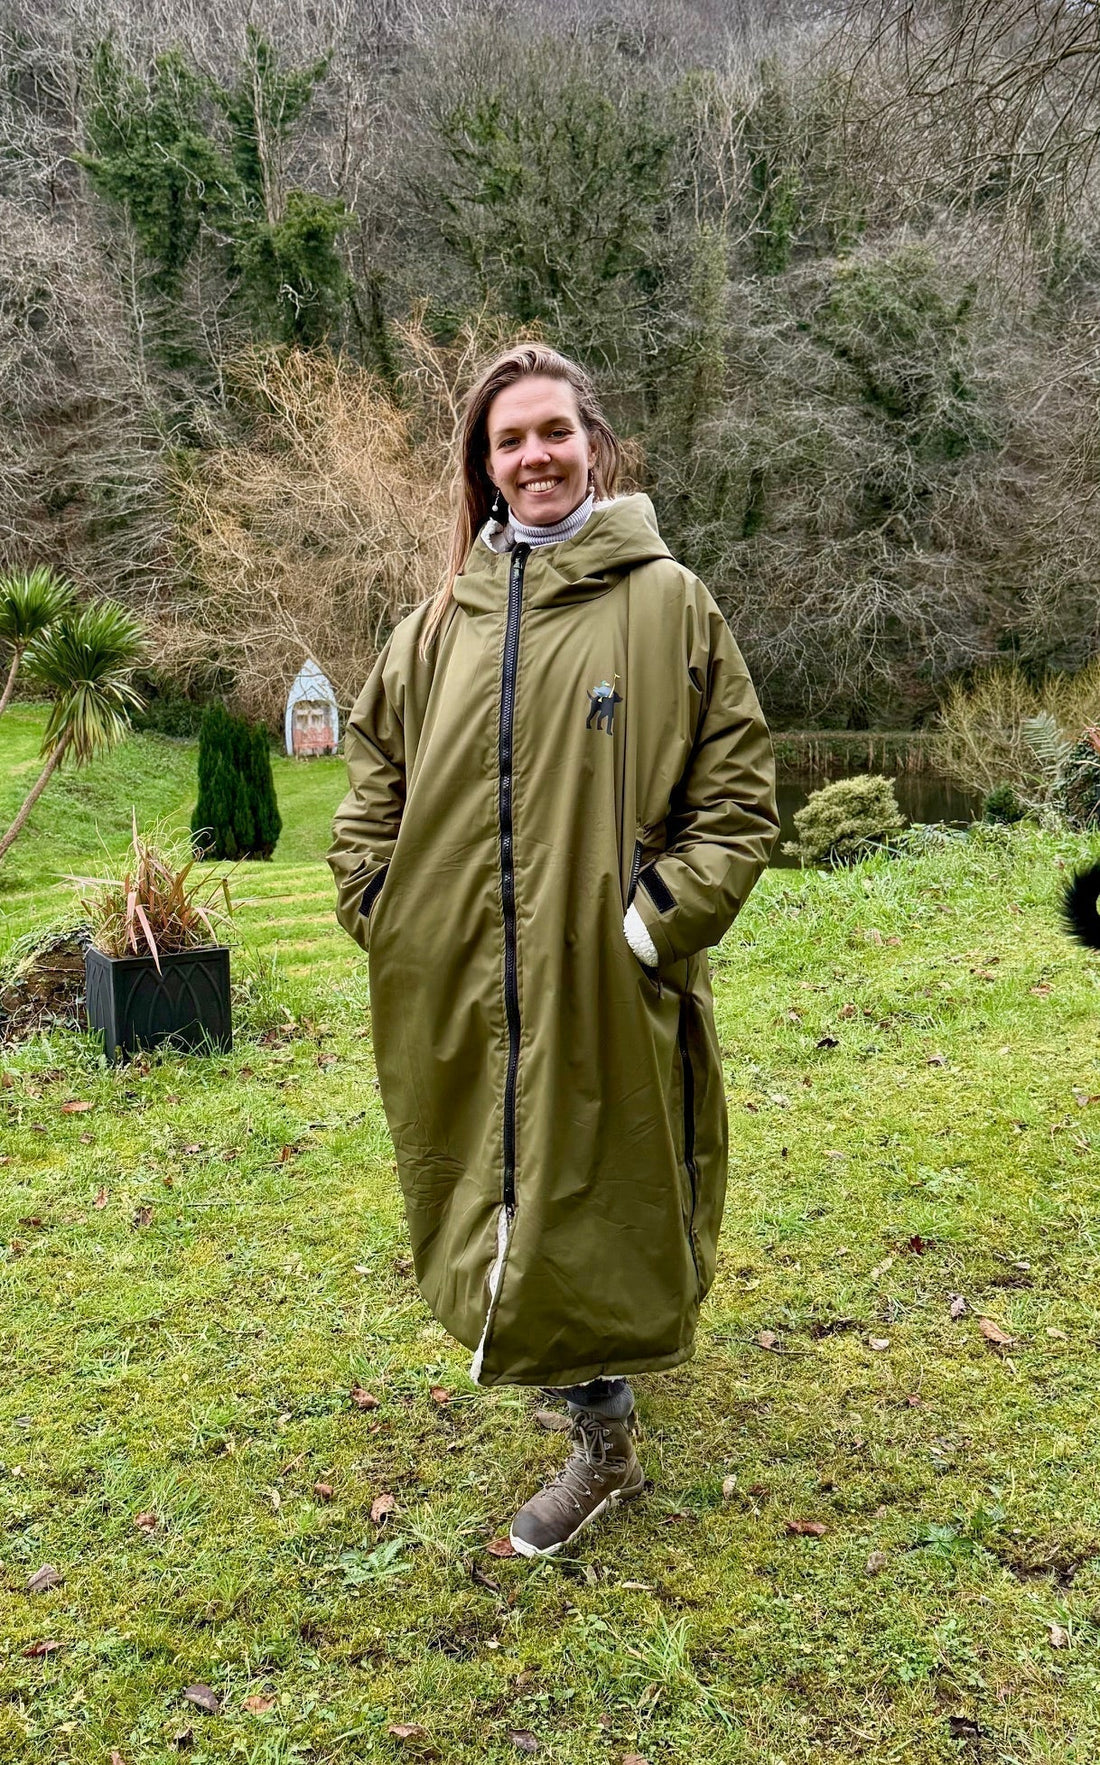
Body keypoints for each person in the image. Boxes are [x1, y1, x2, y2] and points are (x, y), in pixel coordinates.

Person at [327, 344, 779, 1557]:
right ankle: (582, 1390)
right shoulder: (438, 625)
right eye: (507, 439)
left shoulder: (667, 602)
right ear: (483, 467)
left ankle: (603, 1435)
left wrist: (649, 924)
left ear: (594, 444)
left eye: (551, 431)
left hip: (599, 977)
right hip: (462, 983)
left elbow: (735, 801)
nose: (533, 455)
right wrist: (385, 903)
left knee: (600, 1186)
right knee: (487, 1182)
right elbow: (371, 774)